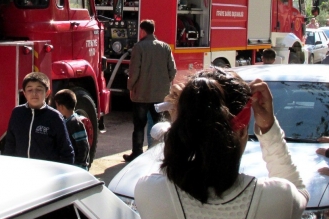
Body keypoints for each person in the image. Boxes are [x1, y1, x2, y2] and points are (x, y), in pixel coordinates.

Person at [135, 68, 309, 219]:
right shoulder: (277, 198)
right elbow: (300, 192)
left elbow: (175, 164)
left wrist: (179, 119)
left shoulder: (149, 192)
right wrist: (268, 127)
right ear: (241, 131)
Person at [124, 19, 176, 162]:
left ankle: (137, 153)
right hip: (161, 95)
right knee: (161, 125)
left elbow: (134, 72)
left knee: (139, 126)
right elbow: (173, 70)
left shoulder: (138, 47)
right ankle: (163, 153)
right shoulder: (165, 47)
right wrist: (165, 83)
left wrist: (130, 87)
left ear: (142, 31)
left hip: (141, 94)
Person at [3, 72, 74, 164]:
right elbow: (9, 145)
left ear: (47, 93)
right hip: (21, 171)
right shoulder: (17, 113)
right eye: (30, 90)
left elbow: (66, 152)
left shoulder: (54, 117)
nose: (34, 93)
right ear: (24, 93)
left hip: (46, 173)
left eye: (39, 89)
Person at [54, 89, 90, 170]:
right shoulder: (67, 121)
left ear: (61, 107)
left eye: (57, 106)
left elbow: (83, 146)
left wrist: (80, 164)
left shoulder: (75, 123)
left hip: (77, 167)